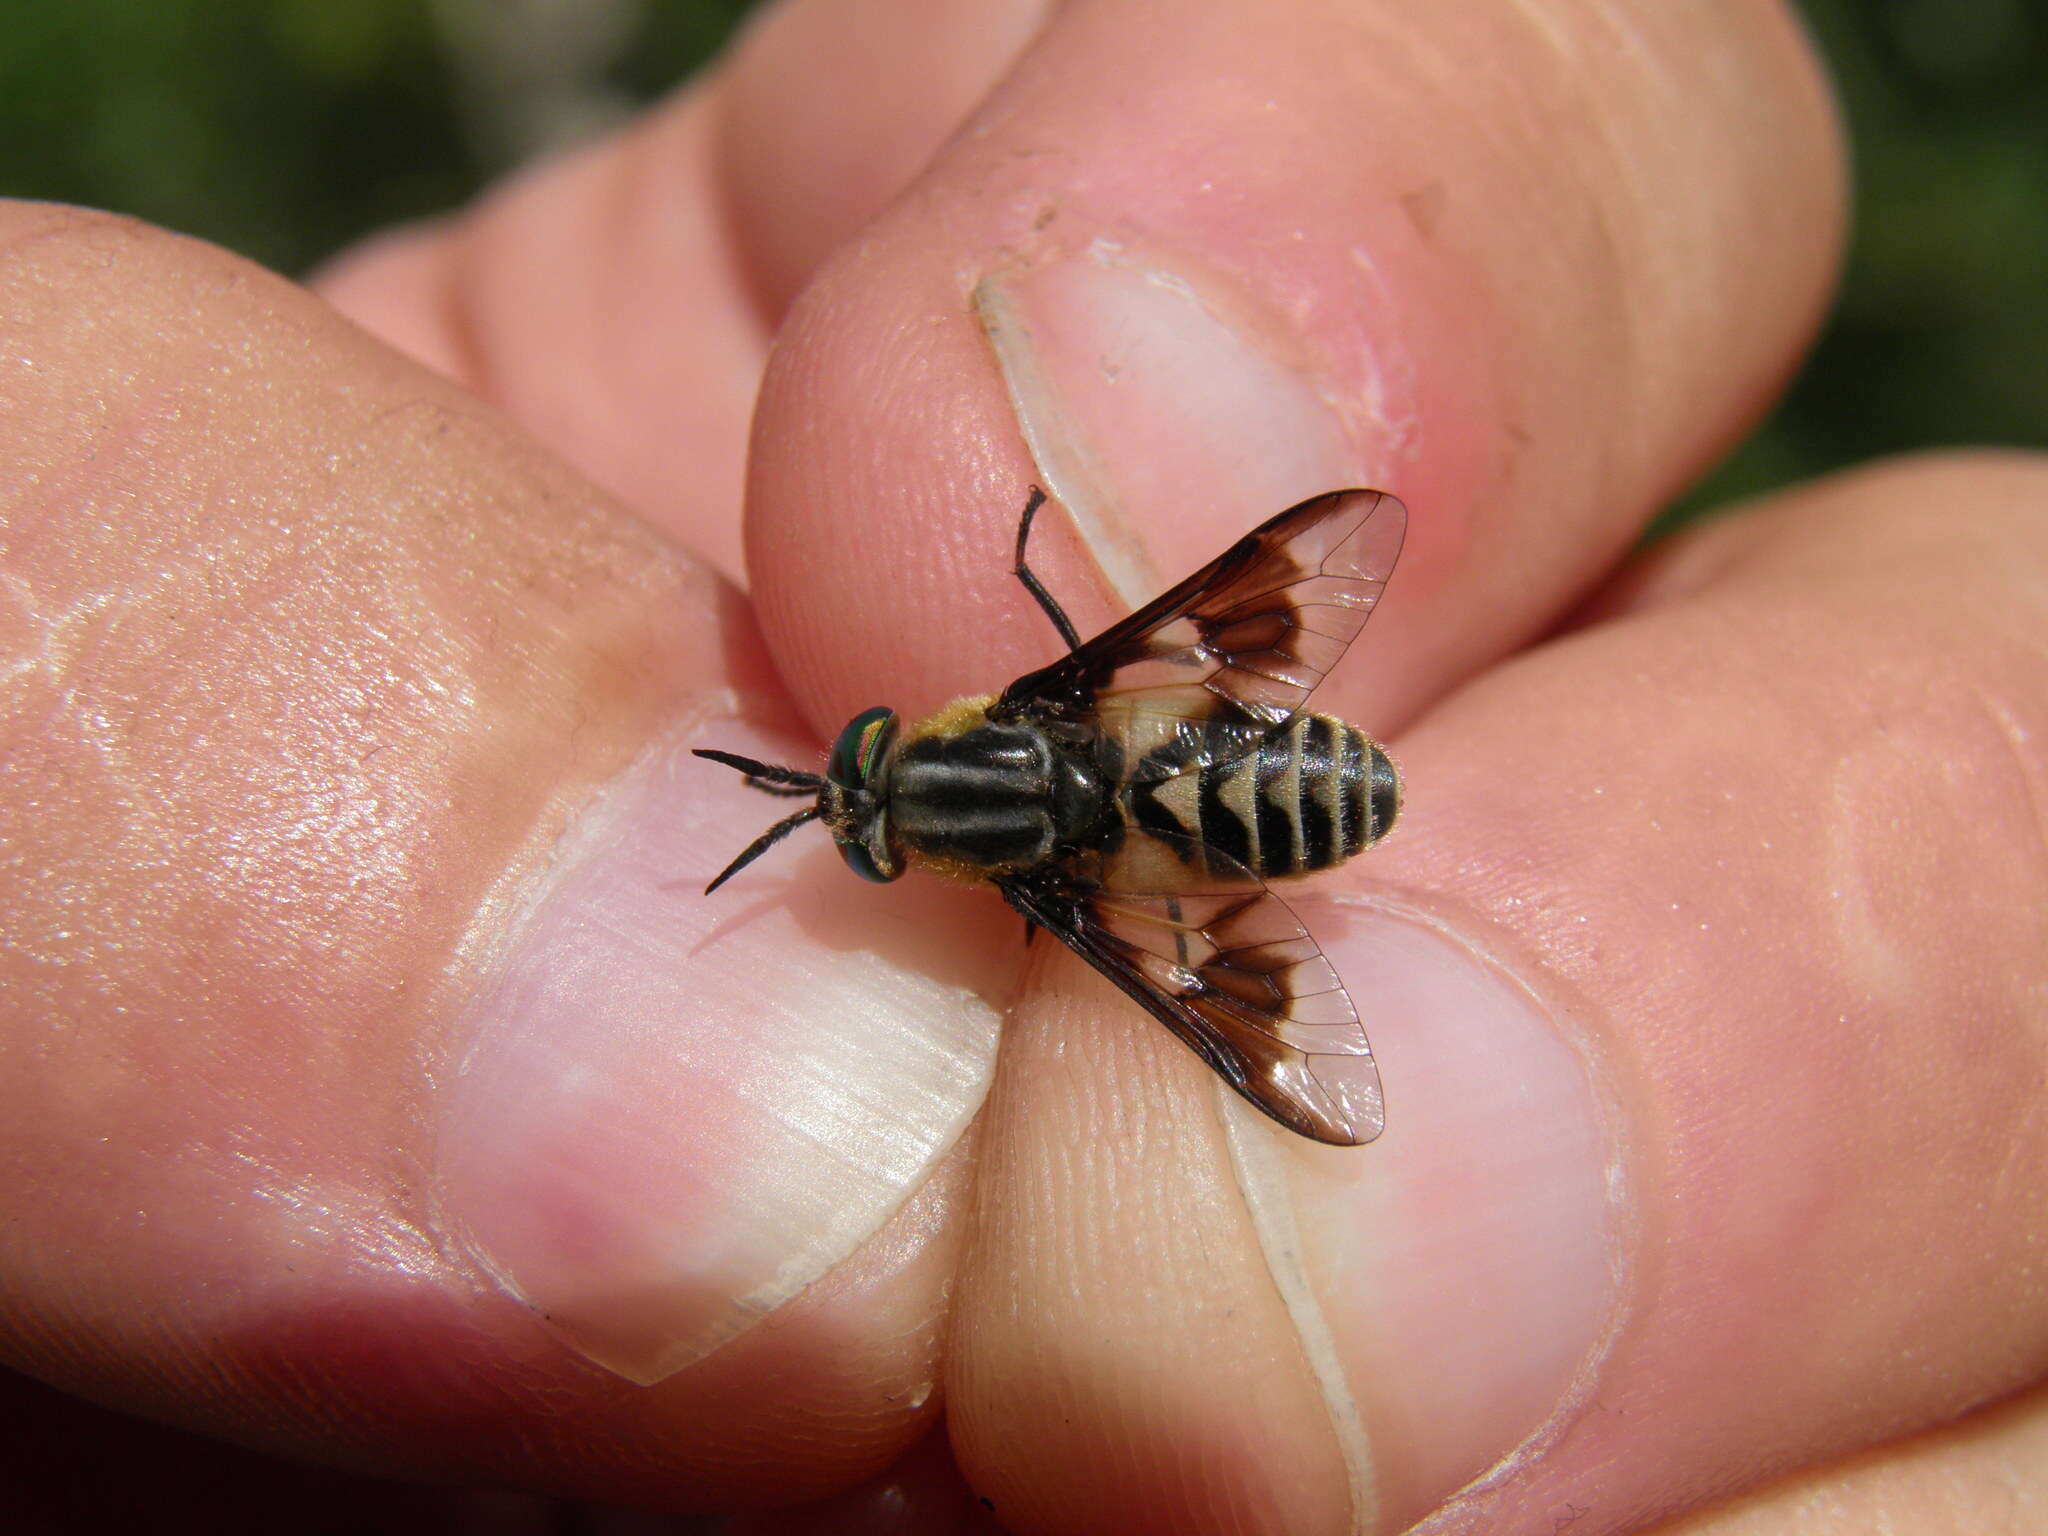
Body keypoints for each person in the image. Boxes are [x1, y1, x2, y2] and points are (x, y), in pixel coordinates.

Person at [4, 1, 2044, 1532]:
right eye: (875, 789)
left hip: (1228, 818)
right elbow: (1233, 625)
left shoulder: (1050, 886)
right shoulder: (1068, 730)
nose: (865, 791)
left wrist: (1192, 957)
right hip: (1242, 766)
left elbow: (1192, 939)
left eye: (869, 789)